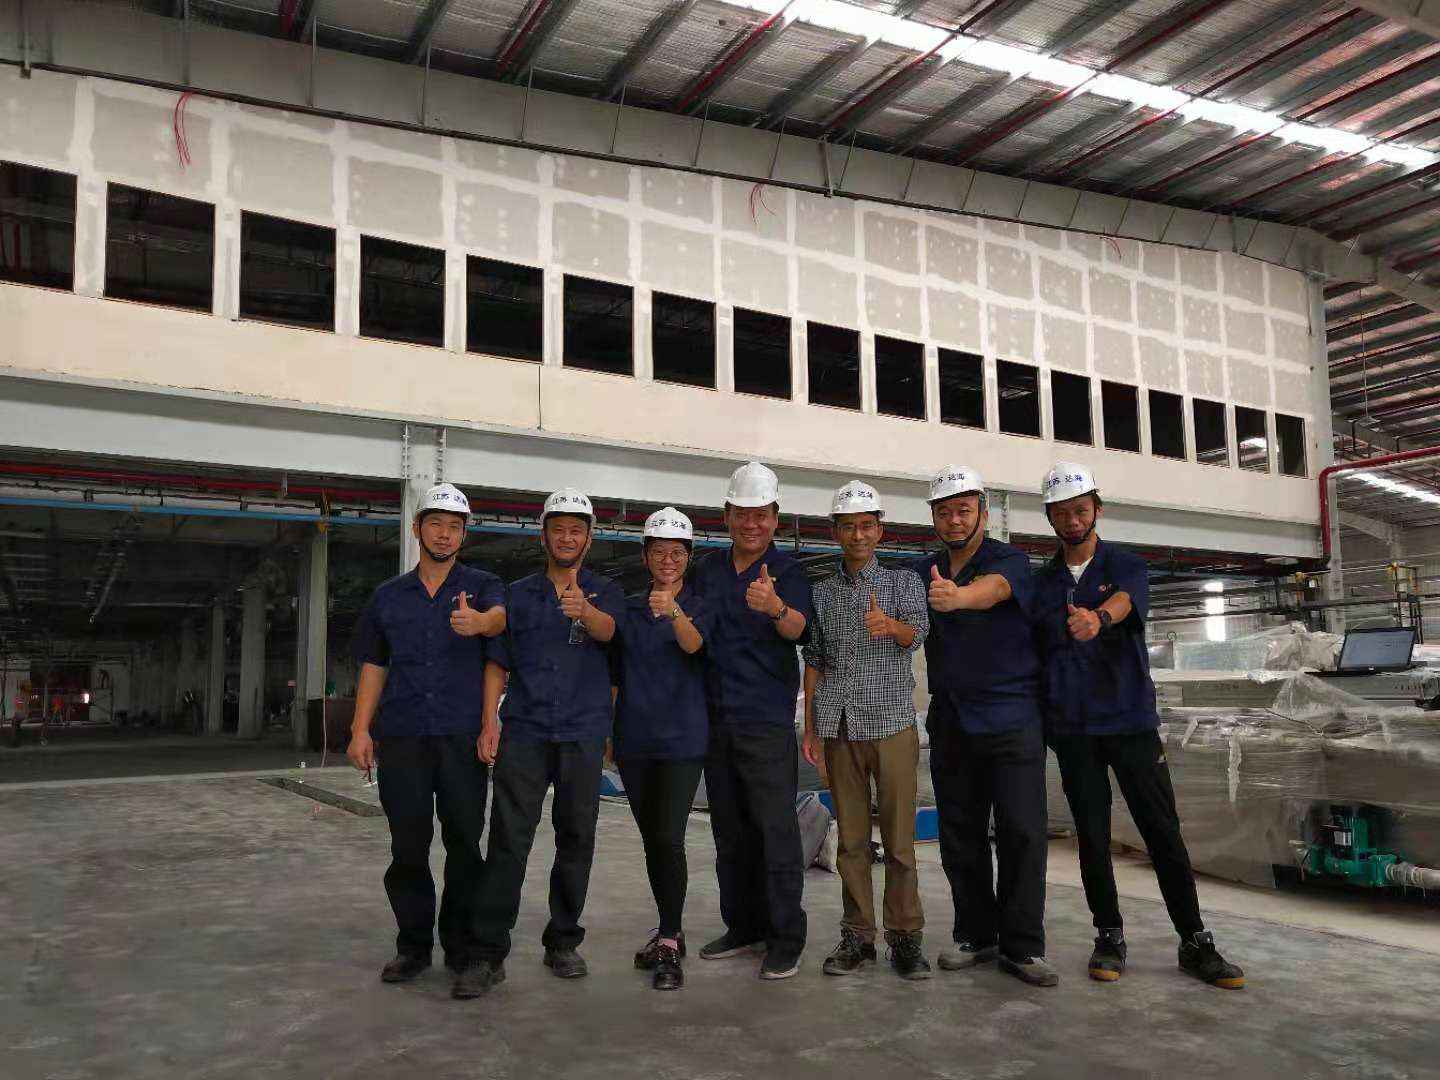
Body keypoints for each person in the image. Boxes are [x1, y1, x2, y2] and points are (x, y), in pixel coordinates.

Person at [1033, 462, 1245, 990]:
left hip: (1129, 722)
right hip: (1074, 730)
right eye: (1062, 513)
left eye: (1081, 510)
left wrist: (1098, 618)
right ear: (1050, 518)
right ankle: (1108, 935)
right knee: (1092, 836)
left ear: (1097, 510)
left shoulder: (1125, 565)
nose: (1072, 520)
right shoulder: (1042, 583)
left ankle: (1194, 940)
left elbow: (1125, 601)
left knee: (1161, 830)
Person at [463, 487, 626, 998]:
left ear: (589, 539)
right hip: (526, 730)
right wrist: (489, 722)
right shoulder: (518, 594)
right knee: (508, 838)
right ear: (544, 535)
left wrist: (585, 613)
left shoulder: (605, 591)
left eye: (577, 530)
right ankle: (487, 952)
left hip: (582, 731)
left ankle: (563, 941)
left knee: (576, 836)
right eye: (559, 529)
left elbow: (612, 633)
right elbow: (497, 662)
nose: (567, 538)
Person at [347, 482, 506, 997]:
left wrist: (480, 624)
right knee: (408, 845)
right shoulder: (388, 596)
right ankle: (413, 946)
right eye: (435, 524)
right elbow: (374, 664)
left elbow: (499, 627)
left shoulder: (483, 586)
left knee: (464, 844)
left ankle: (461, 948)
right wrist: (360, 729)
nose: (444, 534)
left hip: (461, 738)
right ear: (417, 529)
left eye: (454, 526)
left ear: (464, 534)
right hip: (403, 736)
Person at [913, 465, 1057, 987]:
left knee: (1021, 831)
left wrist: (958, 597)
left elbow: (994, 591)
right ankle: (976, 934)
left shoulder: (1009, 560)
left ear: (982, 512)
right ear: (933, 517)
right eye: (944, 512)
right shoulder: (925, 568)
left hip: (1010, 717)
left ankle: (1023, 946)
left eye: (963, 510)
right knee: (960, 833)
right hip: (953, 719)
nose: (954, 520)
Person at [801, 481, 931, 980]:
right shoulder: (822, 592)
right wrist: (812, 727)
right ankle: (858, 936)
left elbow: (918, 633)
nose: (858, 534)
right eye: (848, 526)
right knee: (851, 842)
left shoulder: (904, 584)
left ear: (880, 530)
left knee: (899, 842)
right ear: (835, 532)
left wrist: (891, 626)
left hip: (891, 723)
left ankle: (905, 937)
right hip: (839, 726)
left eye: (866, 526)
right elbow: (814, 660)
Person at [692, 461, 813, 980]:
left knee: (775, 831)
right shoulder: (707, 570)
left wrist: (775, 607)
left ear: (775, 518)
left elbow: (800, 630)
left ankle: (785, 938)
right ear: (726, 516)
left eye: (761, 514)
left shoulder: (789, 572)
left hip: (764, 721)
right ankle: (744, 926)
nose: (751, 524)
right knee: (730, 831)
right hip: (716, 719)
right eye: (742, 514)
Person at [611, 507, 712, 991]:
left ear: (688, 557)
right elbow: (617, 674)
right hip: (635, 739)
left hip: (682, 741)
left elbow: (694, 646)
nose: (668, 560)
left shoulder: (699, 605)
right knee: (653, 839)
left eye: (677, 553)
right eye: (659, 552)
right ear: (645, 556)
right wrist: (610, 732)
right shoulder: (629, 609)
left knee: (669, 837)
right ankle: (668, 927)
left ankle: (669, 939)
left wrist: (673, 611)